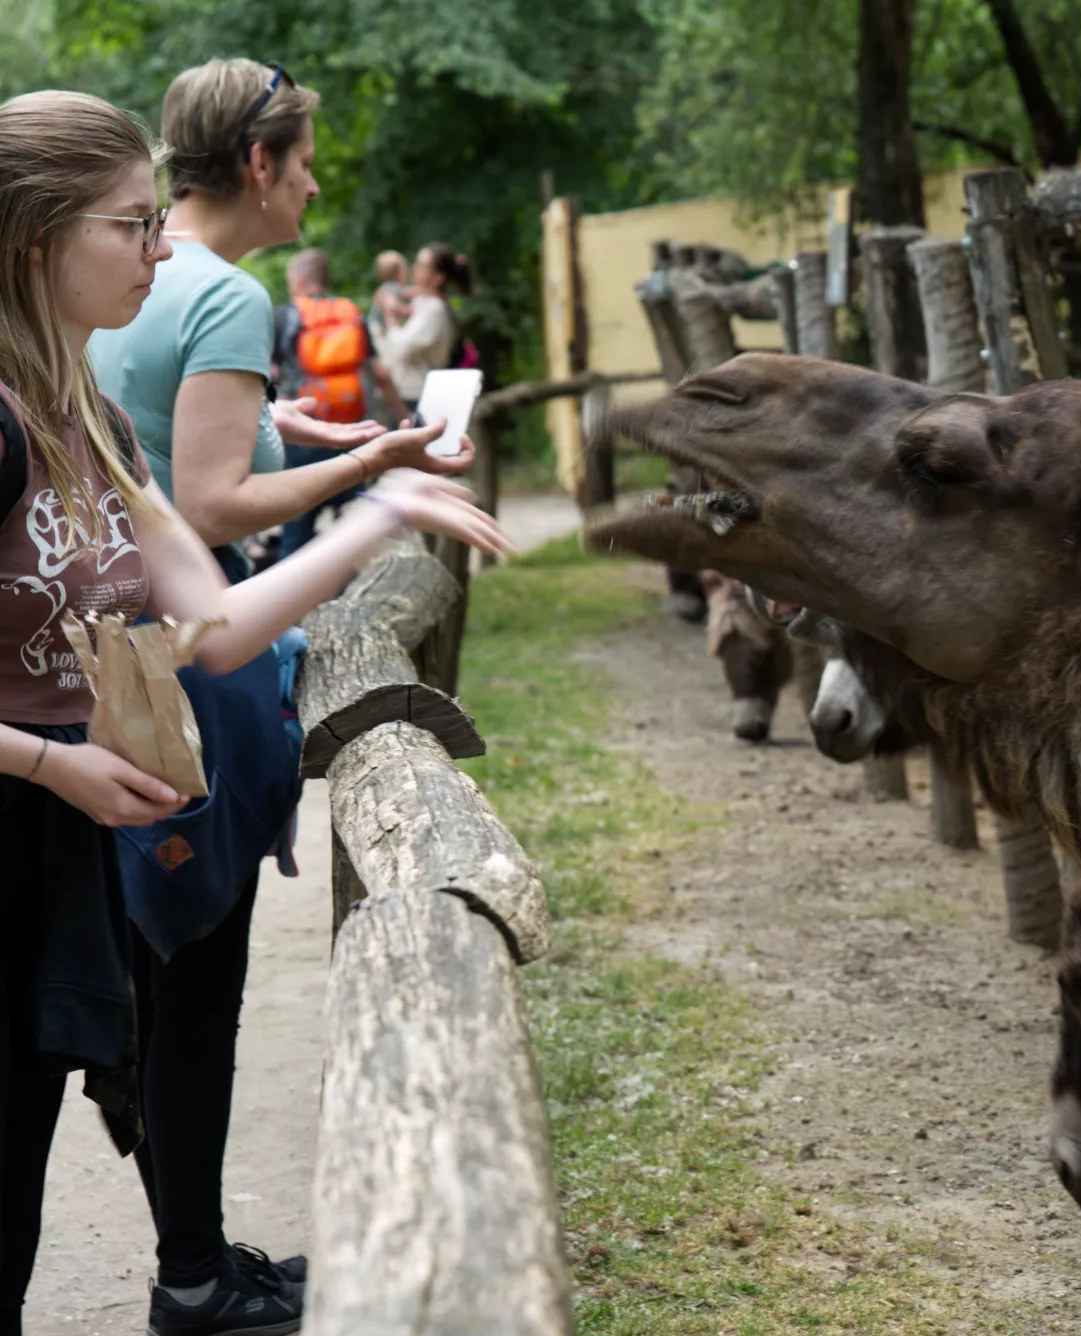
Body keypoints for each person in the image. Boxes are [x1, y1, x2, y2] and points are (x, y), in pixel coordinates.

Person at [0, 87, 508, 1336]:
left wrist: (382, 509)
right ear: (35, 241)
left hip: (49, 872)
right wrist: (44, 763)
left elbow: (216, 620)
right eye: (129, 226)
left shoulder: (95, 421)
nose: (158, 247)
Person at [270, 249, 401, 558]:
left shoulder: (286, 316)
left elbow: (268, 373)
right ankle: (347, 597)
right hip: (350, 433)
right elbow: (379, 374)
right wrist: (401, 417)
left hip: (301, 435)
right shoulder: (350, 314)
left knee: (295, 530)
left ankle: (293, 603)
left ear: (300, 280)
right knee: (351, 530)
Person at [378, 243, 473, 415]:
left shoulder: (434, 310)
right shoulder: (424, 302)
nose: (415, 268)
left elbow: (399, 349)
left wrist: (389, 314)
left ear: (438, 278)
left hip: (419, 398)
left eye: (422, 265)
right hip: (411, 394)